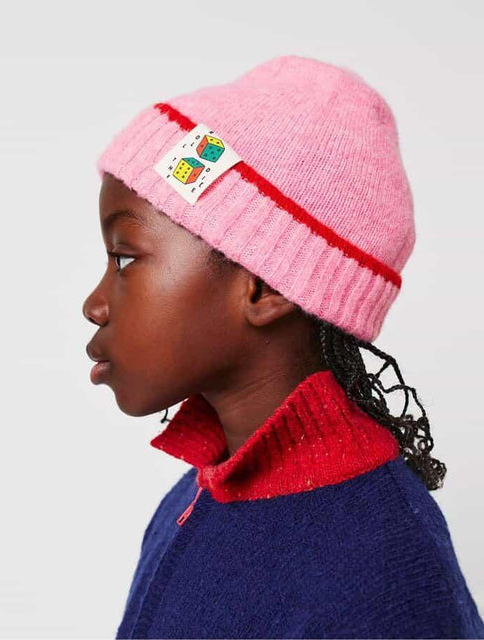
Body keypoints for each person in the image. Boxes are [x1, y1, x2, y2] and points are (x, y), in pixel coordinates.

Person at [82, 55, 484, 639]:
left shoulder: (385, 571)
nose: (94, 304)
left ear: (265, 287)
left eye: (124, 259)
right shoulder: (195, 496)